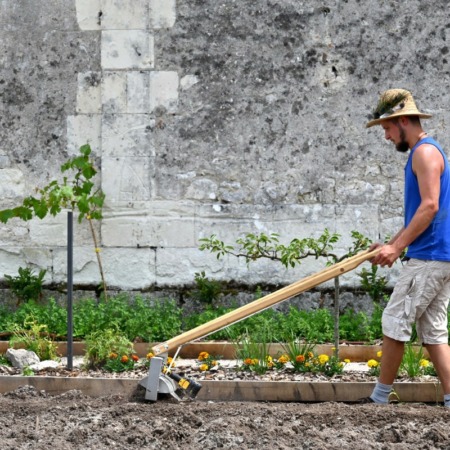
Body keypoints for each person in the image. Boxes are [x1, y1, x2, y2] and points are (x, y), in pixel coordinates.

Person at [364, 88, 450, 406]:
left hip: (428, 257)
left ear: (402, 121)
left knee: (395, 320)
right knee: (434, 333)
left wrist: (398, 248)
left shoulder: (425, 153)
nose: (386, 136)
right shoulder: (423, 152)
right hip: (439, 256)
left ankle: (379, 398)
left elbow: (429, 207)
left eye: (387, 128)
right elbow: (421, 212)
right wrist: (391, 244)